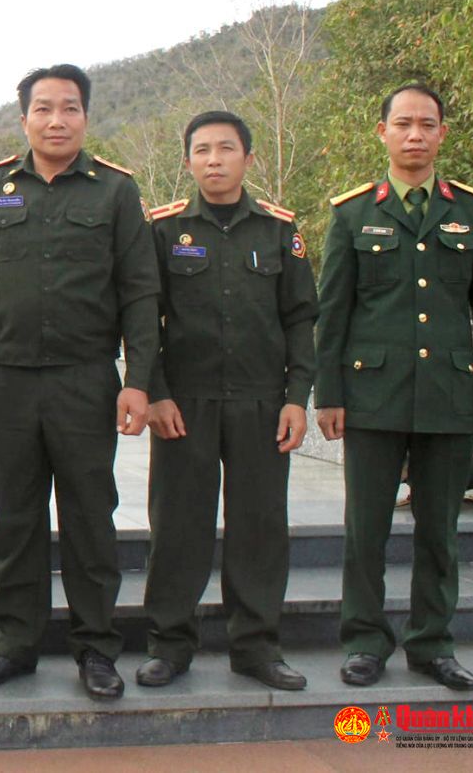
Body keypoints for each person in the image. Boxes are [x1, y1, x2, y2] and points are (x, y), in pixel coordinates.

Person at [0, 63, 158, 701]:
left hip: (85, 379)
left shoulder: (115, 191)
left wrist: (137, 380)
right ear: (24, 119)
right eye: (43, 108)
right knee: (14, 518)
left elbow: (140, 291)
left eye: (69, 108)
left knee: (91, 519)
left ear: (86, 117)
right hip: (8, 380)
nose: (56, 120)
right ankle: (13, 644)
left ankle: (96, 648)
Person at [314, 82, 473, 692]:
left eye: (427, 125)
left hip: (449, 394)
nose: (415, 135)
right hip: (371, 395)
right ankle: (364, 642)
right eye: (403, 124)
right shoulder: (353, 213)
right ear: (383, 132)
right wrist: (330, 394)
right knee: (365, 530)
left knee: (439, 533)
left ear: (442, 134)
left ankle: (432, 645)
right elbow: (333, 312)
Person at [136, 110, 316, 692]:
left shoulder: (279, 230)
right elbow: (143, 319)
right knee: (177, 528)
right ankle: (169, 645)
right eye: (202, 150)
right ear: (187, 160)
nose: (214, 160)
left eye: (226, 148)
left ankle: (257, 648)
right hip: (185, 404)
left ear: (248, 158)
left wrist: (297, 398)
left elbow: (300, 318)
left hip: (262, 403)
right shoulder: (163, 230)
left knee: (260, 529)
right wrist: (155, 393)